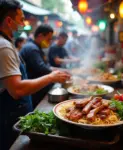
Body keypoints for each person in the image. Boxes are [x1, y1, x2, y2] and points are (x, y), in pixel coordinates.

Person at [0, 1, 70, 150]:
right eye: (21, 19)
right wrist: (51, 77)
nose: (24, 24)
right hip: (8, 117)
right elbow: (17, 90)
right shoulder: (4, 46)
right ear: (8, 21)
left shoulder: (6, 43)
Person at [20, 24, 54, 108]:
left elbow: (46, 66)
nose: (49, 42)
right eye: (48, 39)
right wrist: (56, 74)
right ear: (40, 36)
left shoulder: (36, 47)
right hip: (32, 91)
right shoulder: (32, 48)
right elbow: (42, 68)